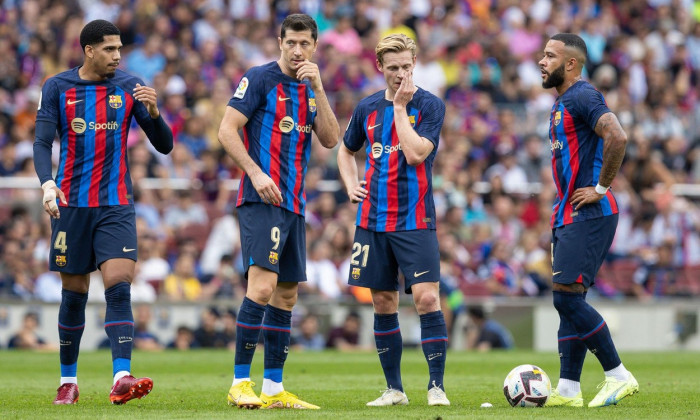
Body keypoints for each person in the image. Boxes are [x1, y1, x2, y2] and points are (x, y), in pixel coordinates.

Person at [32, 20, 173, 405]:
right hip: (71, 206)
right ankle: (68, 381)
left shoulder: (129, 87)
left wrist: (155, 114)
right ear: (89, 50)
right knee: (74, 293)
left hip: (116, 205)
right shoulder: (58, 87)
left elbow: (164, 146)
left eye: (120, 50)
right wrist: (47, 182)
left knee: (119, 285)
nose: (117, 56)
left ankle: (121, 376)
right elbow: (42, 142)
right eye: (110, 49)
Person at [217, 13, 339, 410]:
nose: (298, 50)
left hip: (295, 203)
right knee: (262, 288)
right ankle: (239, 382)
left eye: (305, 44)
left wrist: (319, 89)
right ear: (280, 42)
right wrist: (254, 172)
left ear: (315, 46)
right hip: (261, 198)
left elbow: (331, 139)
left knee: (286, 296)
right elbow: (226, 129)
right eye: (291, 43)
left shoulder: (309, 88)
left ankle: (273, 388)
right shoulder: (260, 77)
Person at [337, 33, 450, 407]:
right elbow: (346, 149)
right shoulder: (367, 107)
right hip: (371, 221)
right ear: (379, 67)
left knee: (428, 298)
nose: (401, 74)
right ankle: (394, 390)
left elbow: (417, 154)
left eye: (406, 66)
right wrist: (351, 184)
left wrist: (401, 108)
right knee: (383, 303)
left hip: (415, 219)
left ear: (414, 64)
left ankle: (436, 387)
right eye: (393, 68)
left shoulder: (429, 106)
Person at [539, 33, 639, 408]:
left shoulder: (582, 95)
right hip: (569, 213)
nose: (541, 61)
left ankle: (617, 374)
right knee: (570, 298)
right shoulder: (562, 102)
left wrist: (600, 186)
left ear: (571, 64)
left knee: (565, 299)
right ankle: (568, 390)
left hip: (590, 212)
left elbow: (617, 135)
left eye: (549, 56)